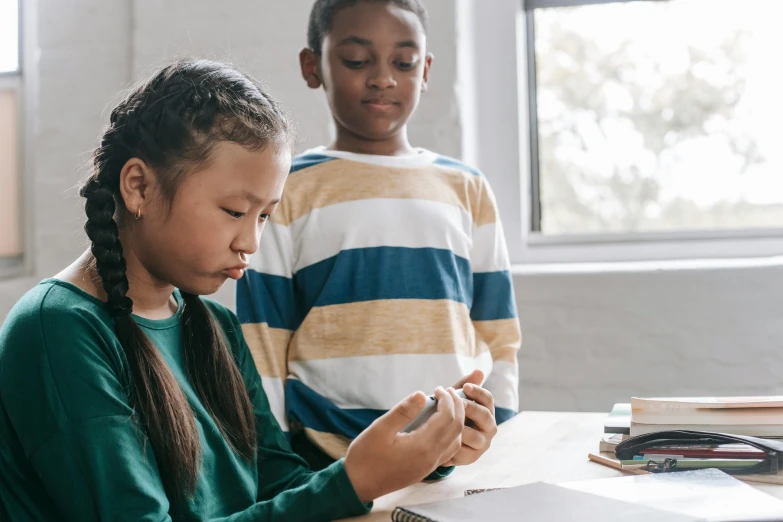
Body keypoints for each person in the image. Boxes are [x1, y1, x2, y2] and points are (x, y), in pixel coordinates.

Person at [0, 59, 470, 521]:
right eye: (233, 211)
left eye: (264, 216)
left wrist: (423, 449)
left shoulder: (216, 325)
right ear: (139, 187)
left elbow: (283, 487)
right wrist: (354, 480)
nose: (250, 242)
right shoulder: (57, 329)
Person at [236, 0, 519, 477]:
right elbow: (262, 337)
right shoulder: (287, 188)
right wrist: (275, 459)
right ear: (313, 67)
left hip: (455, 453)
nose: (383, 78)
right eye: (356, 60)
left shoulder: (466, 187)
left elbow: (497, 330)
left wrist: (502, 434)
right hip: (327, 462)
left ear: (425, 70)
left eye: (403, 63)